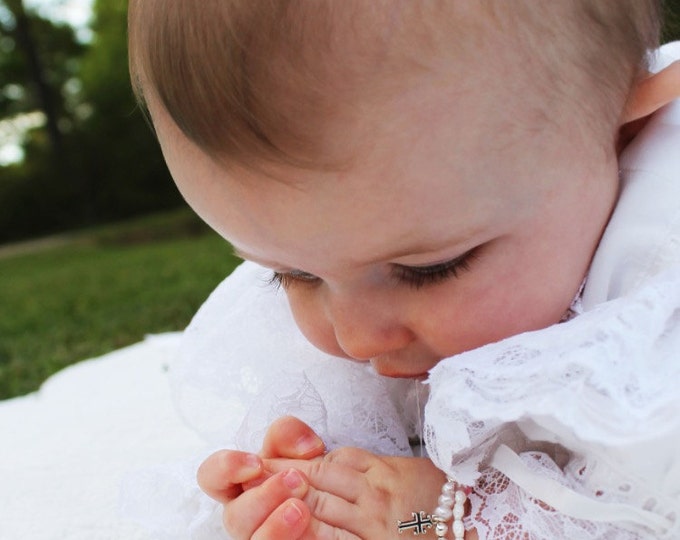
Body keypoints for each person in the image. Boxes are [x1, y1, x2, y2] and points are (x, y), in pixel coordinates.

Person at [126, 1, 680, 538]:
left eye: (430, 270)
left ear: (625, 128)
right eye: (291, 275)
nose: (354, 338)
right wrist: (321, 492)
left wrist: (442, 519)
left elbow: (641, 516)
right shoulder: (385, 236)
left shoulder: (659, 270)